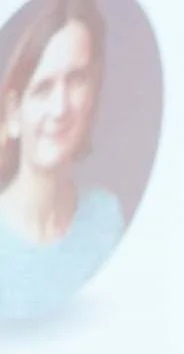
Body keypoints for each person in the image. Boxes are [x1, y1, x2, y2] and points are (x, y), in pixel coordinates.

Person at [0, 0, 123, 321]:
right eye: (43, 89)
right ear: (13, 113)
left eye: (76, 80)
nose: (60, 107)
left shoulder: (106, 221)